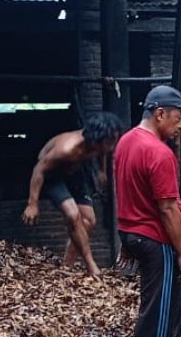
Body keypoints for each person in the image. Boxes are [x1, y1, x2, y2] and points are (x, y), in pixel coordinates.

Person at [114, 85, 181, 337]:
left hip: (132, 232)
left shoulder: (125, 142)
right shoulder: (159, 153)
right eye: (177, 118)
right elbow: (167, 209)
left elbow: (125, 192)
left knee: (160, 302)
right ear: (159, 113)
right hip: (154, 238)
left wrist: (126, 235)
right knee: (157, 310)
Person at [21, 111, 125, 276]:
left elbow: (103, 153)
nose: (113, 146)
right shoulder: (67, 149)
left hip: (75, 173)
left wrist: (101, 171)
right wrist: (32, 203)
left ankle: (66, 266)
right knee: (72, 214)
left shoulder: (99, 145)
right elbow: (39, 169)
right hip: (52, 175)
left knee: (89, 221)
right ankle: (92, 266)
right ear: (98, 138)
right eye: (111, 141)